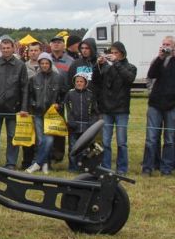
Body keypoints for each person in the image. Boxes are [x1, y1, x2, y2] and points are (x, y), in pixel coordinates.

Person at [0, 38, 29, 168]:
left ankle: (11, 163)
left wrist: (24, 107)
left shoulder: (20, 65)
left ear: (13, 48)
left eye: (8, 48)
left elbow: (25, 88)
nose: (6, 50)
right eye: (3, 48)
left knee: (12, 137)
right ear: (0, 49)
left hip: (14, 107)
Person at [97, 41, 136, 174]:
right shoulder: (107, 68)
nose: (113, 55)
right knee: (106, 142)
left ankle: (122, 168)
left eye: (116, 53)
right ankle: (106, 168)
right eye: (111, 53)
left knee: (121, 142)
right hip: (107, 109)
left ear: (122, 54)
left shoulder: (131, 67)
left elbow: (129, 79)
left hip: (121, 110)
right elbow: (97, 79)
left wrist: (117, 63)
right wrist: (99, 64)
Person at [26, 53, 66, 174]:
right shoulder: (33, 79)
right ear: (39, 64)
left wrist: (59, 105)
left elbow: (64, 95)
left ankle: (37, 163)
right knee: (40, 140)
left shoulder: (58, 78)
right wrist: (33, 104)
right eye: (42, 63)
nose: (44, 65)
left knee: (49, 140)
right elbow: (29, 95)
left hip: (52, 114)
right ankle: (44, 164)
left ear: (50, 64)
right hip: (38, 113)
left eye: (46, 63)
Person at [143, 36, 175, 176]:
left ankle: (166, 168)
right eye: (163, 44)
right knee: (151, 138)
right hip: (155, 104)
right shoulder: (157, 60)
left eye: (168, 45)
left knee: (169, 139)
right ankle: (148, 167)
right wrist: (160, 57)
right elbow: (151, 75)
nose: (165, 47)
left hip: (172, 105)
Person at [64, 72, 99, 171]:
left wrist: (91, 123)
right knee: (73, 147)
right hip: (73, 126)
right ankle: (72, 167)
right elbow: (67, 109)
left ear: (85, 82)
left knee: (84, 148)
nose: (79, 83)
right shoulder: (70, 94)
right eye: (77, 81)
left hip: (86, 127)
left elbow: (94, 111)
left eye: (81, 81)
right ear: (74, 82)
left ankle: (82, 167)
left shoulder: (90, 94)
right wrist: (70, 121)